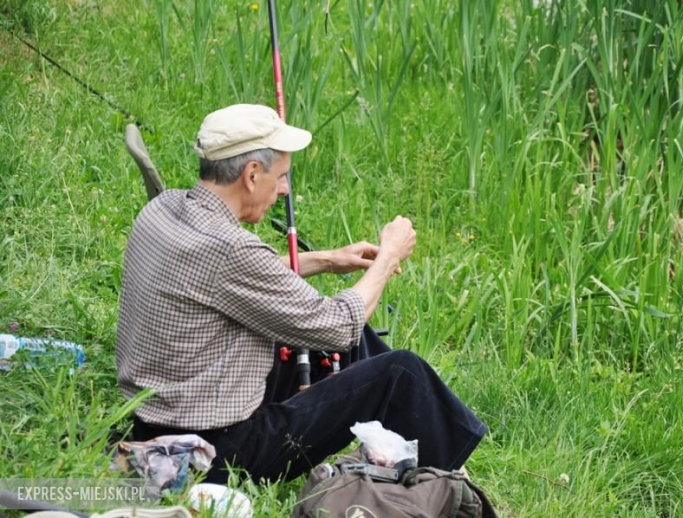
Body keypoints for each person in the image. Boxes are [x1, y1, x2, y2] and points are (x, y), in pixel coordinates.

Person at [116, 104, 487, 483]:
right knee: (399, 372)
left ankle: (409, 452)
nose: (284, 189)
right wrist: (388, 255)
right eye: (281, 177)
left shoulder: (165, 209)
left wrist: (325, 260)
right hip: (219, 451)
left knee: (349, 342)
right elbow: (338, 326)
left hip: (154, 418)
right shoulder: (233, 249)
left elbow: (220, 280)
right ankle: (446, 484)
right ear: (252, 174)